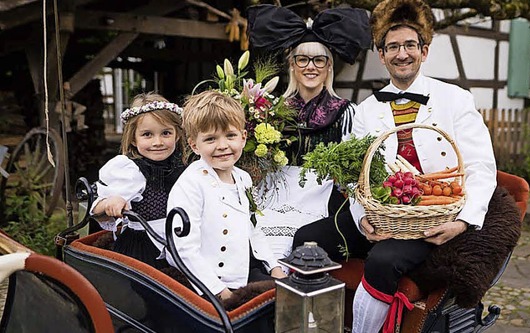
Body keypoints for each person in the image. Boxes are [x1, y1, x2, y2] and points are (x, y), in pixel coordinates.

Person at [293, 0, 498, 332]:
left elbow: (481, 167)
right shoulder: (365, 109)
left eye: (409, 45)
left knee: (383, 260)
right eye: (393, 47)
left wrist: (462, 222)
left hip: (429, 218)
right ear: (381, 54)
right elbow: (357, 175)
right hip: (379, 214)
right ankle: (314, 325)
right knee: (306, 240)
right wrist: (362, 221)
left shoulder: (456, 99)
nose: (402, 54)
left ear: (424, 51)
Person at [246, 5, 371, 260]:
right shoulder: (271, 111)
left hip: (324, 199)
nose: (310, 67)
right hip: (275, 196)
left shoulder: (347, 113)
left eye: (319, 60)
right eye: (302, 59)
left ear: (328, 67)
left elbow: (352, 173)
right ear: (292, 66)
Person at [166, 90, 286, 301]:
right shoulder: (191, 184)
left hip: (242, 270)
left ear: (243, 137)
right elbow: (184, 249)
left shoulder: (243, 178)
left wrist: (275, 267)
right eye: (211, 139)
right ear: (195, 145)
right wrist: (221, 293)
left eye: (230, 136)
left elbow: (253, 229)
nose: (222, 146)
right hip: (206, 282)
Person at [91, 92, 186, 269]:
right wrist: (110, 202)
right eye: (147, 135)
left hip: (183, 239)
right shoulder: (131, 170)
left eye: (166, 133)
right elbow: (95, 208)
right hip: (145, 245)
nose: (158, 142)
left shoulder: (183, 166)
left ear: (177, 135)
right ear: (134, 139)